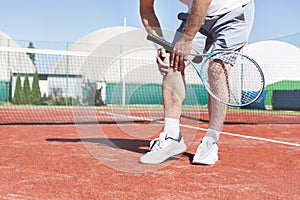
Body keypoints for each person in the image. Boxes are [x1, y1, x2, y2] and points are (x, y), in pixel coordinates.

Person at [139, 0, 254, 165]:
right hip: (196, 13)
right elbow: (146, 9)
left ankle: (211, 140)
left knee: (217, 69)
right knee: (173, 62)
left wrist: (186, 39)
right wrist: (161, 47)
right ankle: (172, 137)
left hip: (234, 10)